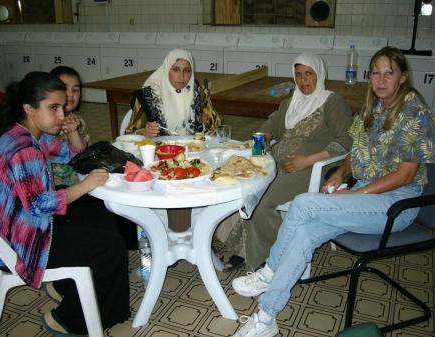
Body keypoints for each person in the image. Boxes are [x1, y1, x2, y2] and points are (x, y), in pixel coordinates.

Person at [229, 46, 434, 336]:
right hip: (364, 192)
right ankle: (266, 318)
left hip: (396, 205)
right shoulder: (373, 107)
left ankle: (269, 270)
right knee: (302, 234)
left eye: (389, 73)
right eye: (375, 72)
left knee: (303, 204)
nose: (381, 79)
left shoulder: (414, 111)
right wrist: (338, 175)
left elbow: (406, 175)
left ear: (403, 77)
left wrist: (354, 195)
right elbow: (354, 151)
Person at [0, 72, 130, 335]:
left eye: (62, 107)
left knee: (104, 219)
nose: (62, 115)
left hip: (20, 226)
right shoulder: (23, 149)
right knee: (110, 245)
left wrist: (72, 132)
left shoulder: (28, 134)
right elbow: (41, 205)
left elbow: (73, 155)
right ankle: (67, 319)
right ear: (29, 108)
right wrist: (86, 185)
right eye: (54, 108)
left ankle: (66, 285)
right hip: (18, 243)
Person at [221, 53, 353, 271]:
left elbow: (346, 140)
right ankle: (244, 250)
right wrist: (266, 137)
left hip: (313, 169)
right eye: (298, 74)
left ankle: (273, 261)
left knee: (260, 200)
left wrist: (308, 160)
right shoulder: (291, 102)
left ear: (319, 74)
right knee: (240, 186)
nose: (303, 80)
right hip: (279, 162)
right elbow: (272, 124)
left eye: (309, 74)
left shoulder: (332, 101)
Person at [50, 65, 138, 249]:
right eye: (65, 88)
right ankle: (114, 249)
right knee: (111, 205)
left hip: (79, 179)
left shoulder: (76, 119)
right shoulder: (47, 124)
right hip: (63, 189)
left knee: (122, 193)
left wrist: (73, 131)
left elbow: (81, 156)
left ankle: (126, 250)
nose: (71, 94)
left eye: (76, 89)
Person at [123, 48, 221, 137]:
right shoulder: (148, 96)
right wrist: (144, 132)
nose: (181, 77)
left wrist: (206, 123)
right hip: (160, 153)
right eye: (176, 70)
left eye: (187, 71)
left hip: (194, 151)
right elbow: (128, 134)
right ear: (166, 69)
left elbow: (216, 129)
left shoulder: (199, 93)